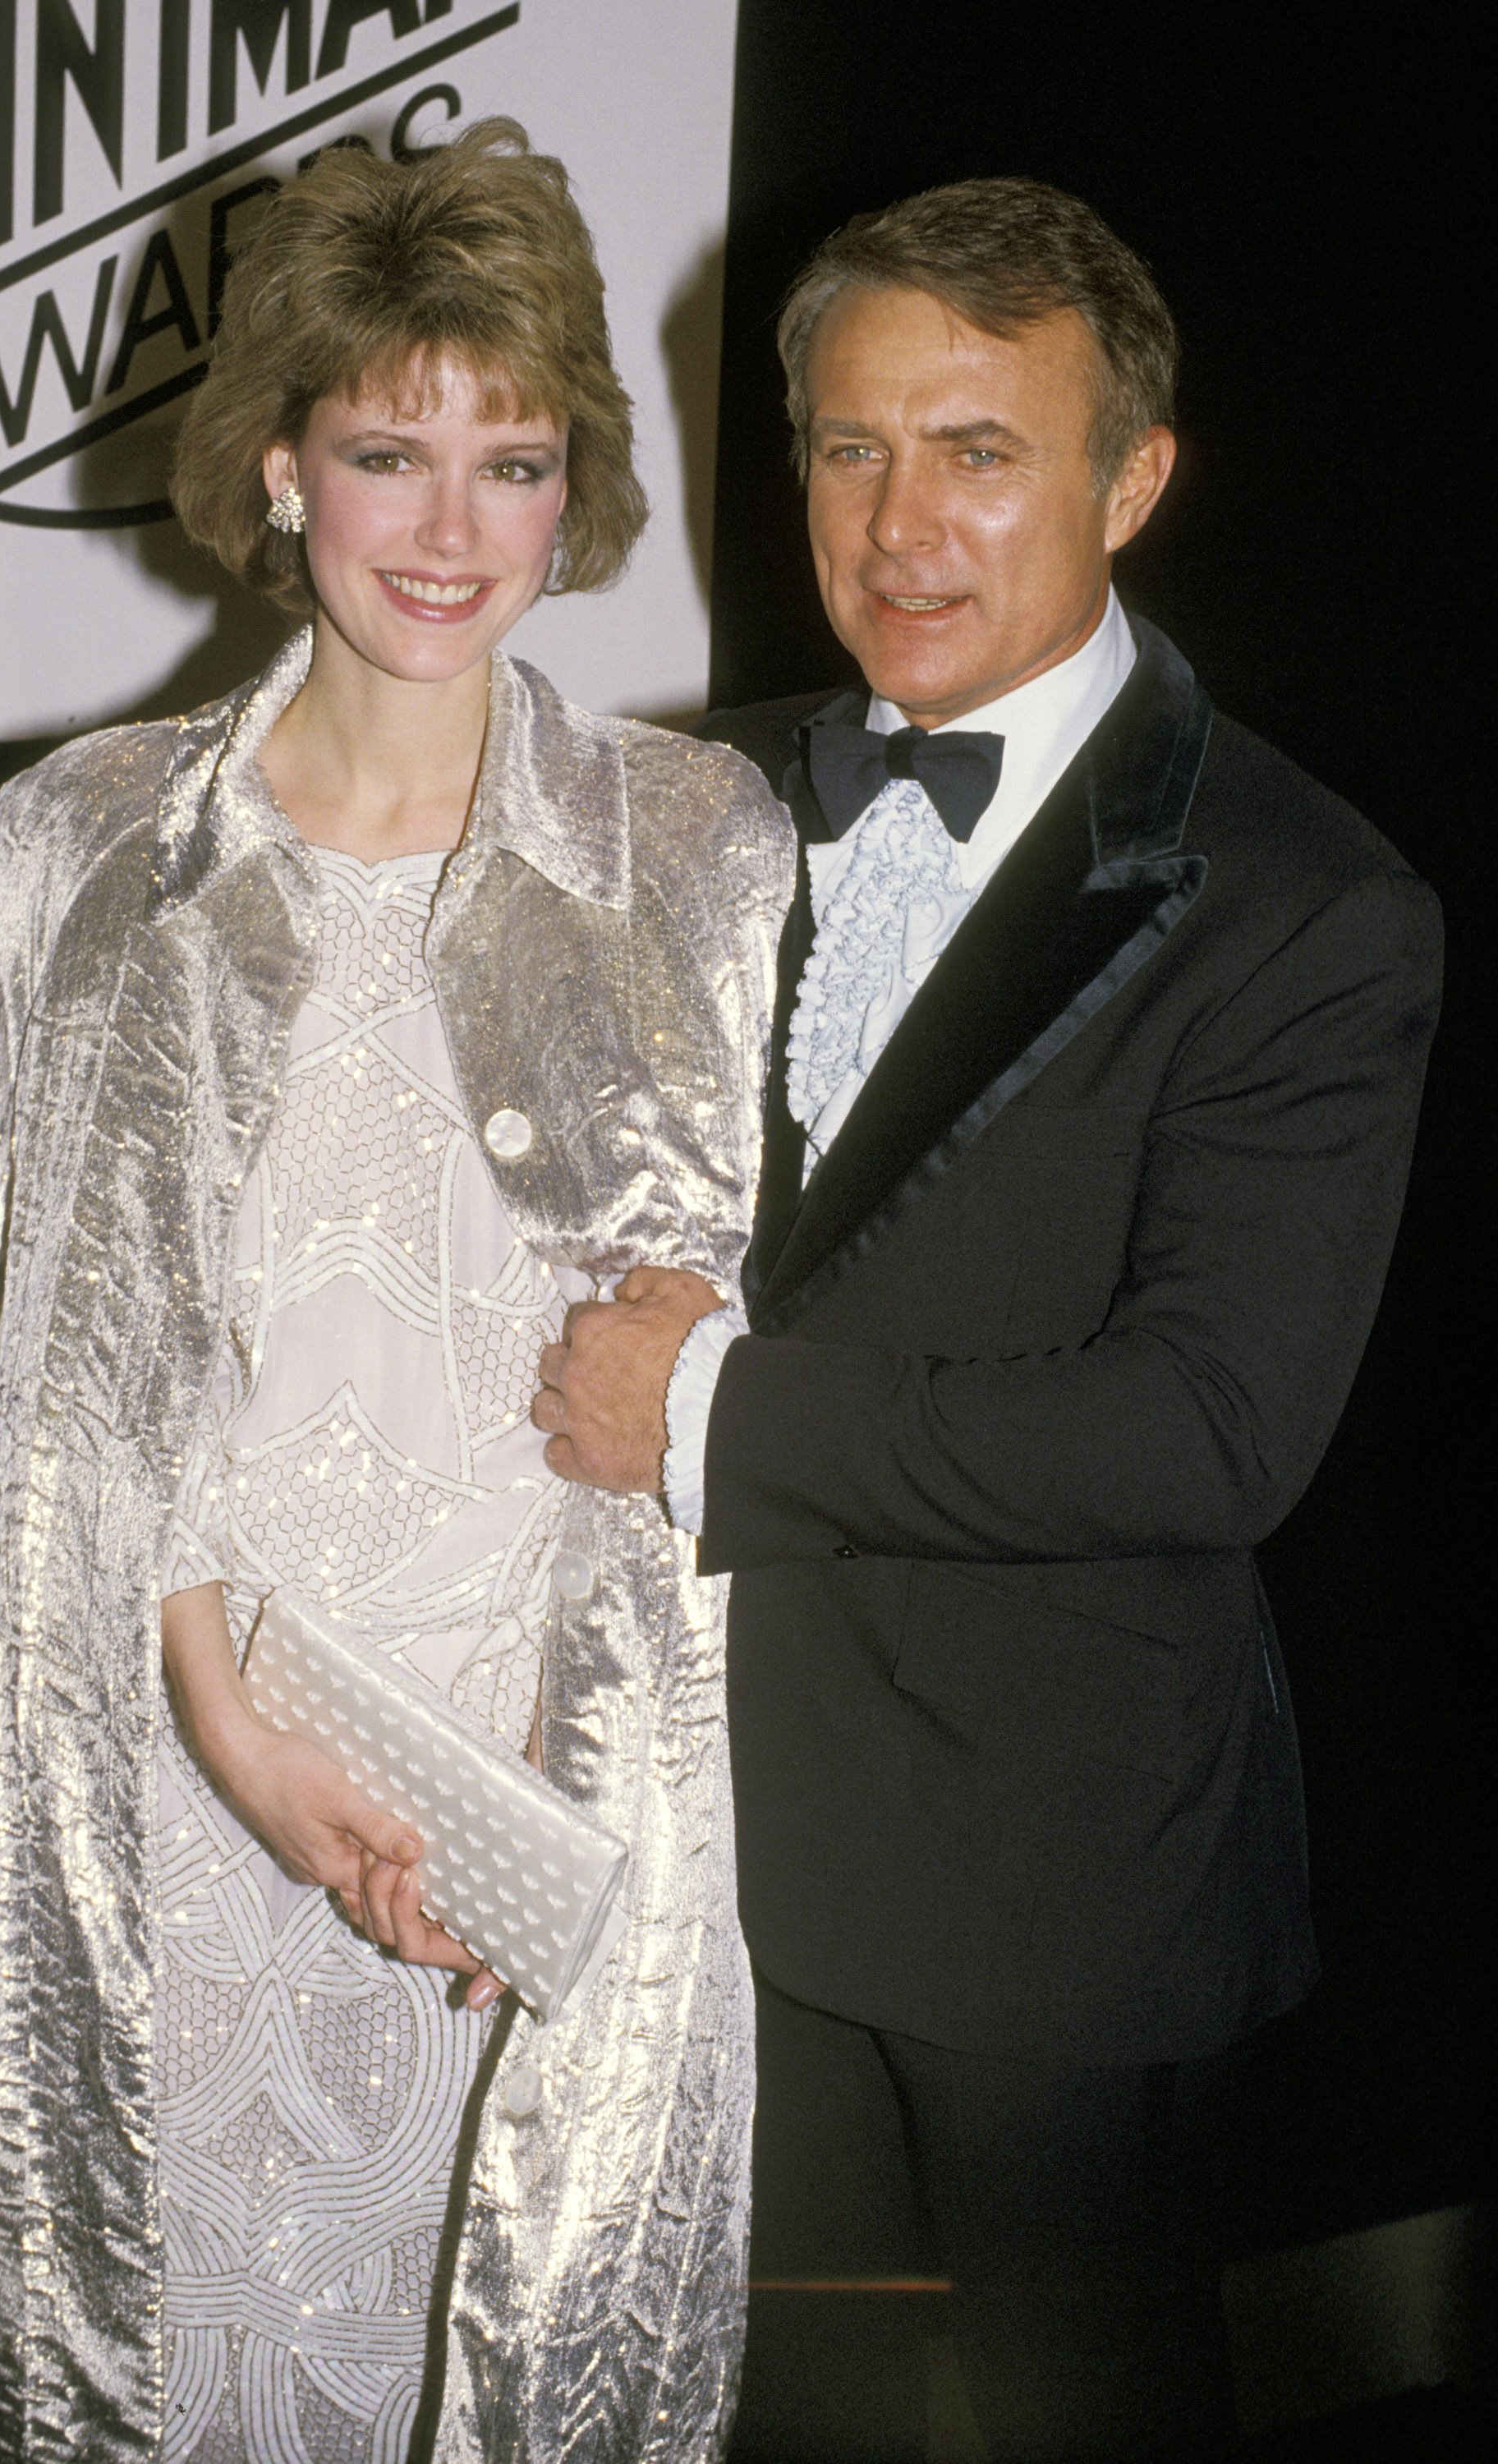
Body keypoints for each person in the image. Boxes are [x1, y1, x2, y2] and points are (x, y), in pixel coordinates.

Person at [0, 123, 792, 2463]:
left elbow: (716, 1349)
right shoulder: (84, 845)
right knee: (170, 2342)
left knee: (476, 2341)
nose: (454, 529)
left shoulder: (695, 844)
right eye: (388, 451)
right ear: (279, 465)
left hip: (535, 1783)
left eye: (512, 456)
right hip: (195, 1757)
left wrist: (546, 1814)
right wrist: (230, 1722)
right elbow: (24, 1369)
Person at [534, 177, 1443, 2461]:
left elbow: (1204, 1432)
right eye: (848, 447)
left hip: (1052, 1894)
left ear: (1129, 479)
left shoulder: (1309, 904)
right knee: (764, 2412)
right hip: (687, 1854)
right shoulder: (678, 800)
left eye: (977, 449)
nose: (900, 522)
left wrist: (715, 1415)